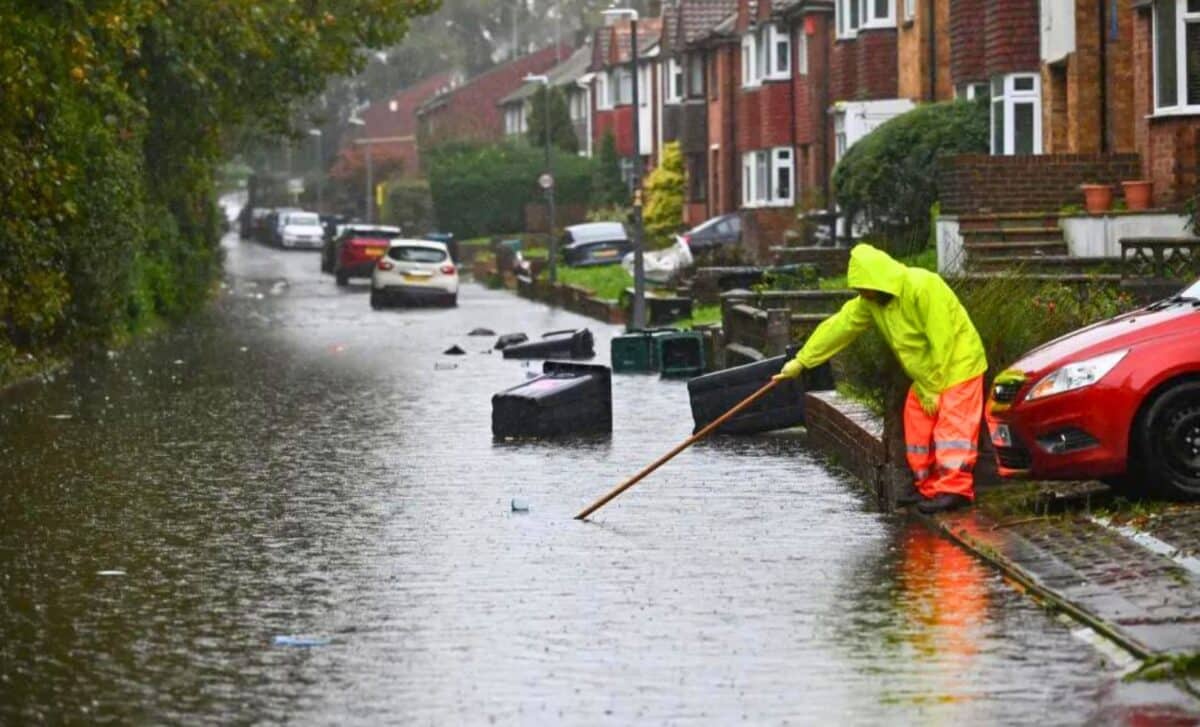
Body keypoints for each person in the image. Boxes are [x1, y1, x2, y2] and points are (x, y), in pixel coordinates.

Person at [774, 244, 987, 514]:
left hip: (958, 366)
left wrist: (934, 385)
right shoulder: (872, 303)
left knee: (953, 429)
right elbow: (839, 327)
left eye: (863, 288)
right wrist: (802, 361)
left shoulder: (923, 286)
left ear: (878, 280)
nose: (861, 294)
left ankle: (955, 490)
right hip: (927, 377)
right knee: (917, 425)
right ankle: (928, 487)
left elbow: (942, 337)